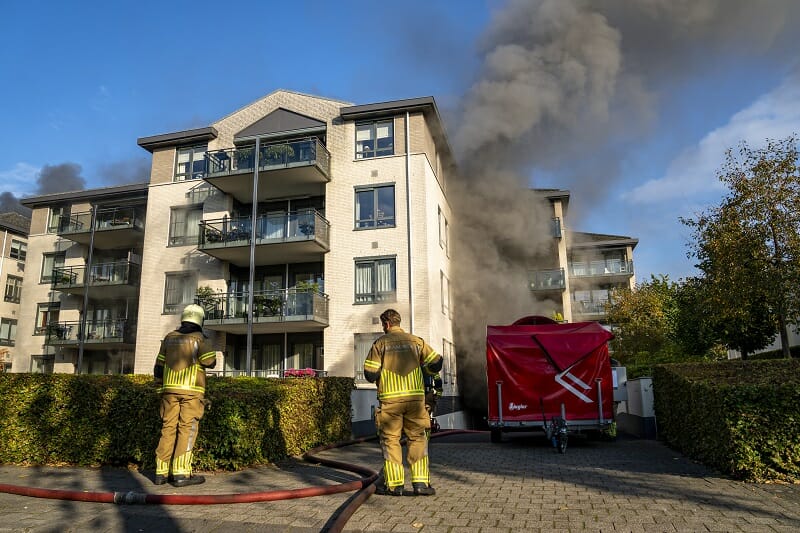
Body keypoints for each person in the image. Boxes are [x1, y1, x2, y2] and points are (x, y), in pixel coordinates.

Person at [363, 309, 443, 496]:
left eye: (383, 325)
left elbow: (370, 374)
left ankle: (394, 485)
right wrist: (423, 368)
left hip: (390, 402)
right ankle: (421, 484)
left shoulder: (380, 343)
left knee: (391, 440)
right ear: (398, 322)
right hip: (415, 401)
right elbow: (436, 363)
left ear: (387, 324)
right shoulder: (416, 341)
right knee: (418, 439)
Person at [153, 304, 217, 487]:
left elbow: (158, 367)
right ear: (200, 321)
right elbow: (209, 361)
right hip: (191, 391)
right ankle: (181, 474)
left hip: (169, 391)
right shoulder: (200, 338)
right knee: (187, 430)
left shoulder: (169, 338)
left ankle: (160, 473)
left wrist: (160, 387)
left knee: (168, 428)